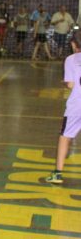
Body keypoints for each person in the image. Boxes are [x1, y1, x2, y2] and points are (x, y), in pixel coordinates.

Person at [47, 31, 81, 185]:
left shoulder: (70, 60)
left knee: (65, 136)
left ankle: (58, 173)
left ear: (74, 44)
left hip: (76, 106)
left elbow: (71, 84)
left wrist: (64, 82)